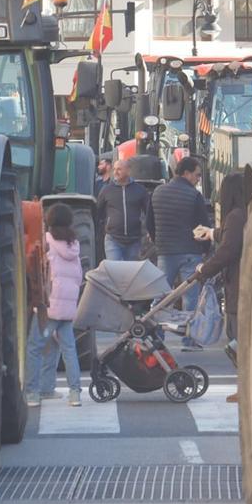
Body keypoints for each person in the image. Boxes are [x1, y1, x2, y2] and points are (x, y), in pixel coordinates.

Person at [148, 156, 212, 351]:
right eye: (197, 175)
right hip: (190, 252)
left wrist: (157, 240)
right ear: (186, 173)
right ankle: (190, 340)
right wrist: (206, 250)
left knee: (161, 296)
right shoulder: (194, 196)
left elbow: (149, 222)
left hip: (165, 252)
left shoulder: (158, 192)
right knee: (191, 298)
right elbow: (203, 225)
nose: (198, 179)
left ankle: (156, 337)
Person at [25, 204, 85, 407]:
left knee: (35, 347)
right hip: (68, 305)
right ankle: (72, 393)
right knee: (67, 349)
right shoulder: (73, 244)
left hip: (49, 305)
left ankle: (32, 393)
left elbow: (39, 269)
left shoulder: (47, 241)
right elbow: (78, 275)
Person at [194, 173, 246, 403]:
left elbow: (228, 250)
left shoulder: (235, 216)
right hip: (243, 281)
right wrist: (212, 232)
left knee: (238, 339)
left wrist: (205, 270)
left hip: (239, 283)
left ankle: (245, 387)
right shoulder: (248, 213)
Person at [96, 158, 149, 261]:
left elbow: (148, 211)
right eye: (114, 169)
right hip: (113, 239)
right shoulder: (107, 190)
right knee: (115, 270)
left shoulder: (139, 190)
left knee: (130, 273)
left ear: (128, 171)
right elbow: (98, 212)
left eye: (119, 169)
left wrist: (148, 230)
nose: (115, 172)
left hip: (134, 241)